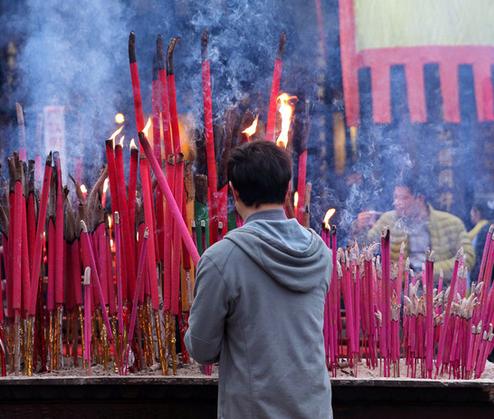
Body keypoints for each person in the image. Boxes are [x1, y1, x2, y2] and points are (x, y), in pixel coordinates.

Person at [185, 141, 333, 419]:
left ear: (233, 192)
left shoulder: (222, 259)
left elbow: (202, 348)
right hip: (315, 410)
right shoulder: (322, 255)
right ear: (287, 189)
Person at [355, 179, 474, 281]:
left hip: (438, 291)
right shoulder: (388, 219)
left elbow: (467, 257)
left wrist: (431, 271)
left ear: (420, 199)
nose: (396, 203)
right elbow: (366, 247)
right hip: (398, 291)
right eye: (395, 197)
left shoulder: (451, 223)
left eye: (404, 198)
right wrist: (360, 228)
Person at [469, 201, 493, 283]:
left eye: (471, 214)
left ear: (477, 213)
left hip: (483, 276)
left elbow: (480, 257)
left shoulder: (485, 230)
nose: (471, 217)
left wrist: (476, 278)